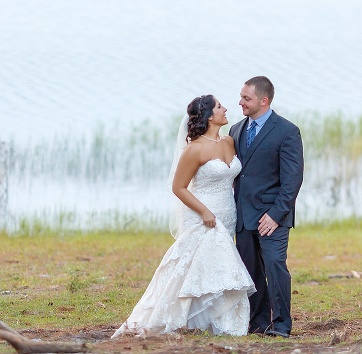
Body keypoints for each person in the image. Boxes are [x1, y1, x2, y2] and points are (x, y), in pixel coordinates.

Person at [111, 95, 255, 338]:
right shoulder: (194, 149)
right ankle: (189, 318)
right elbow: (179, 187)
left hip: (228, 213)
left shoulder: (229, 141)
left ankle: (208, 320)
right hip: (203, 215)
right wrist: (204, 212)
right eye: (220, 106)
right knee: (193, 266)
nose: (226, 108)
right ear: (209, 115)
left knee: (212, 266)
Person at [229, 76, 304, 338]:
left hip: (273, 216)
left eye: (246, 98)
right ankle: (258, 323)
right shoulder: (235, 130)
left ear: (264, 100)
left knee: (275, 266)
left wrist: (275, 215)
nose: (240, 102)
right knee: (251, 271)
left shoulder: (287, 131)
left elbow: (292, 180)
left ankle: (282, 325)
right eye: (241, 97)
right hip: (243, 216)